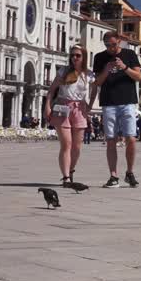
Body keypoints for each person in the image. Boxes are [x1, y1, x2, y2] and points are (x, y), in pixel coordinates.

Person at [91, 31, 141, 188]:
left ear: (119, 42)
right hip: (108, 103)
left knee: (131, 138)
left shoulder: (130, 54)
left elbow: (138, 77)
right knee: (111, 140)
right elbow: (97, 82)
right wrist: (106, 70)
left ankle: (130, 172)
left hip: (128, 102)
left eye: (113, 44)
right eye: (107, 45)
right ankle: (113, 176)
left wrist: (124, 67)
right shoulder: (99, 58)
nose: (111, 48)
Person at [44, 45, 94, 186]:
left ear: (83, 57)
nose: (74, 58)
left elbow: (96, 87)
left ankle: (71, 170)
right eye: (72, 55)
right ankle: (65, 177)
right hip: (62, 107)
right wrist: (47, 106)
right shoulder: (63, 71)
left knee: (77, 148)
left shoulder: (88, 74)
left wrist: (89, 105)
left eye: (78, 55)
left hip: (79, 109)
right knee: (66, 144)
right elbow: (52, 90)